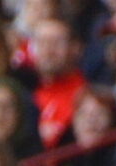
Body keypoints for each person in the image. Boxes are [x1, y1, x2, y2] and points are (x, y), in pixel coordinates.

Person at [25, 16, 89, 145]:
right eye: (42, 43)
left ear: (75, 48)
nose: (48, 51)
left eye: (56, 43)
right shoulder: (24, 90)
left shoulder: (86, 95)